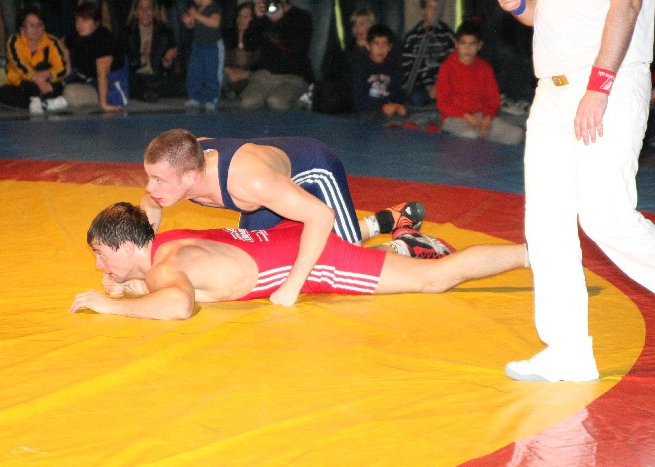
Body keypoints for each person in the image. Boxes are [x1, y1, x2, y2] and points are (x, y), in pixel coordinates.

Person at [498, 0, 655, 382]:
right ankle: (567, 351)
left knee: (607, 218)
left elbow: (627, 5)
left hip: (608, 83)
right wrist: (518, 6)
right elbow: (542, 15)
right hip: (551, 90)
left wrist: (599, 86)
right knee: (546, 225)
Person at [70, 202, 527, 320]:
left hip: (314, 259)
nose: (97, 265)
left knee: (435, 280)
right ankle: (404, 241)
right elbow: (183, 281)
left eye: (100, 254)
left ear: (127, 247)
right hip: (288, 237)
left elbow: (178, 305)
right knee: (404, 267)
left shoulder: (167, 270)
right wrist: (132, 285)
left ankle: (536, 254)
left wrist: (112, 304)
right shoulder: (165, 245)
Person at [139, 129, 428, 306]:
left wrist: (292, 286)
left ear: (190, 177)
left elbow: (321, 216)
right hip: (267, 190)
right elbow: (149, 203)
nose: (151, 188)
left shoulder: (248, 182)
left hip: (314, 172)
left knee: (345, 259)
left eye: (158, 180)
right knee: (272, 256)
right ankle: (380, 221)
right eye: (151, 177)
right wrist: (142, 259)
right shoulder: (183, 164)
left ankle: (404, 245)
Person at [435, 20, 524, 145]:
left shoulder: (485, 68)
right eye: (463, 43)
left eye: (472, 44)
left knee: (516, 135)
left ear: (479, 46)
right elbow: (443, 103)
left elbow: (493, 99)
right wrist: (467, 116)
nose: (467, 48)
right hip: (455, 118)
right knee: (470, 136)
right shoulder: (446, 68)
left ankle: (486, 146)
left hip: (481, 117)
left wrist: (487, 117)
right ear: (456, 44)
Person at [239, 0, 313, 111]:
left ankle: (301, 102)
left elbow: (296, 49)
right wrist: (257, 19)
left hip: (292, 76)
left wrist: (279, 21)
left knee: (276, 101)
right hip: (264, 74)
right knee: (247, 102)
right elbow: (249, 46)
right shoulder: (263, 17)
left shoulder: (301, 17)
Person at [0, 6, 68, 114]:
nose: (36, 29)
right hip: (20, 85)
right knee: (0, 93)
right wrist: (37, 80)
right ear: (22, 29)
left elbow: (62, 69)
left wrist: (47, 74)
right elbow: (21, 66)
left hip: (46, 83)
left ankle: (37, 102)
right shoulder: (14, 41)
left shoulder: (52, 42)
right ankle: (45, 103)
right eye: (31, 25)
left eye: (40, 24)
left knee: (56, 84)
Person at [63, 2, 129, 111]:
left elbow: (102, 75)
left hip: (111, 84)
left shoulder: (104, 40)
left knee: (71, 94)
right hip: (88, 78)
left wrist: (104, 104)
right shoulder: (79, 36)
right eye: (77, 20)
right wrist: (67, 66)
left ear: (96, 23)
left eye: (84, 21)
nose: (79, 25)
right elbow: (62, 43)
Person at [312, 8, 374, 114]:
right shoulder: (348, 47)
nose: (358, 28)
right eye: (355, 24)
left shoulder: (379, 47)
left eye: (362, 23)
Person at [123, 0, 183, 102]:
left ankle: (147, 93)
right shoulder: (126, 33)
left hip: (156, 77)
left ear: (154, 12)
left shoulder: (165, 33)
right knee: (128, 82)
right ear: (135, 13)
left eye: (149, 8)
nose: (145, 11)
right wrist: (143, 57)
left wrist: (167, 60)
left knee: (181, 82)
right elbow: (125, 64)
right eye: (141, 8)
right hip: (136, 77)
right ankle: (147, 93)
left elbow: (167, 69)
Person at [401, 0, 455, 108]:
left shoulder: (448, 35)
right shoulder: (412, 38)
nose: (434, 12)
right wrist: (427, 86)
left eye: (437, 8)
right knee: (415, 97)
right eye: (431, 7)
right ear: (423, 10)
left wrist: (440, 85)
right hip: (421, 87)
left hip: (445, 85)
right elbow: (407, 71)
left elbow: (454, 65)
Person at [351, 24, 407, 122]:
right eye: (376, 44)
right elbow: (359, 100)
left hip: (388, 110)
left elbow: (397, 92)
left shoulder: (392, 67)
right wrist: (382, 106)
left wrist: (398, 106)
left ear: (390, 47)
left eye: (385, 44)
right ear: (368, 46)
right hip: (367, 112)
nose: (381, 48)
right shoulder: (361, 67)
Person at [181, 0, 223, 111]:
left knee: (211, 73)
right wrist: (189, 22)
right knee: (194, 71)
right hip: (197, 45)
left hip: (211, 46)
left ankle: (212, 98)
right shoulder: (198, 8)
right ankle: (195, 97)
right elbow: (194, 25)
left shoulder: (214, 7)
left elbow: (215, 23)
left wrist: (196, 16)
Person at [221, 1, 258, 102]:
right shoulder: (228, 36)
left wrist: (246, 73)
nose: (241, 19)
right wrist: (228, 70)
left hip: (248, 77)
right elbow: (218, 58)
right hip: (229, 75)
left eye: (246, 16)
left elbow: (261, 63)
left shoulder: (259, 38)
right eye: (239, 16)